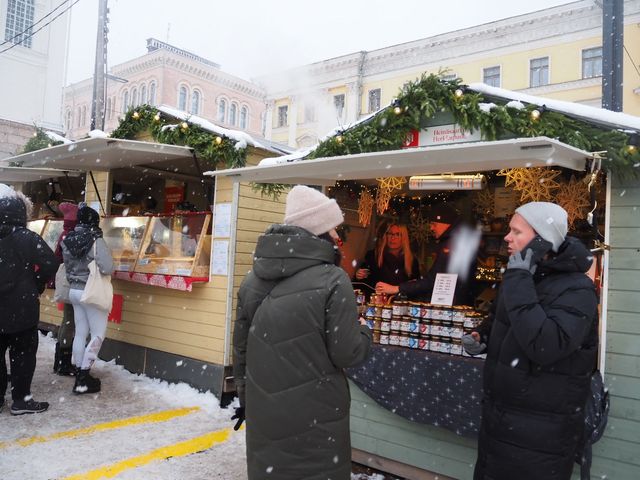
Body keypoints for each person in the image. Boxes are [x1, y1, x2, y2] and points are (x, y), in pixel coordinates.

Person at [233, 185, 372, 480]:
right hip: (316, 415)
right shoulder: (334, 280)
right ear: (319, 230)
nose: (338, 236)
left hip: (265, 413)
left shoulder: (250, 281)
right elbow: (347, 351)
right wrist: (365, 331)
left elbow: (241, 350)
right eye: (334, 228)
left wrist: (248, 401)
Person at [465, 202, 599, 480]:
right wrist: (484, 335)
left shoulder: (577, 288)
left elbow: (545, 346)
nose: (507, 237)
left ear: (541, 241)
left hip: (539, 435)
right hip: (501, 422)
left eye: (516, 231)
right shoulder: (524, 276)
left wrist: (517, 279)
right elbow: (505, 320)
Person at [0, 185, 58, 415]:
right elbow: (51, 263)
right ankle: (21, 400)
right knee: (23, 355)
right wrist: (37, 281)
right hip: (22, 308)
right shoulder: (27, 238)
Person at [376, 204, 478, 305]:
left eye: (434, 224)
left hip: (452, 306)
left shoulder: (452, 245)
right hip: (454, 303)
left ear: (445, 223)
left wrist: (397, 288)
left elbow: (434, 280)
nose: (431, 228)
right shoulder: (453, 241)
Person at [61, 205, 114, 394]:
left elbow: (66, 265)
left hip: (74, 291)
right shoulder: (96, 240)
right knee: (98, 333)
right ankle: (84, 377)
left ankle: (78, 372)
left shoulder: (67, 240)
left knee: (81, 332)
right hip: (91, 291)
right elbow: (108, 268)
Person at [354, 222, 420, 292]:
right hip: (378, 299)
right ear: (386, 236)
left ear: (403, 238)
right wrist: (358, 276)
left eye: (397, 234)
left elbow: (415, 286)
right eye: (390, 234)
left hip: (400, 300)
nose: (393, 238)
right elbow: (362, 284)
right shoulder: (374, 256)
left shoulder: (412, 261)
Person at [52, 202, 78, 376]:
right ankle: (64, 362)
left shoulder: (64, 234)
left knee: (67, 321)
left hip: (68, 282)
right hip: (72, 283)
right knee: (70, 321)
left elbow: (57, 256)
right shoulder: (71, 236)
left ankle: (60, 360)